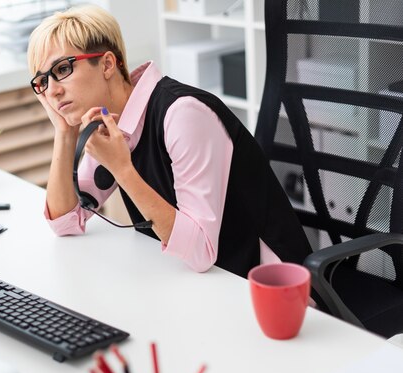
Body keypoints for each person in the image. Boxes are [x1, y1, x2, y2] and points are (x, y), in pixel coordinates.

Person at [27, 5, 313, 279]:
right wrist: (64, 133)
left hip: (266, 287)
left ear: (107, 64)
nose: (52, 90)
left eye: (62, 69)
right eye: (42, 81)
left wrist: (123, 170)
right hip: (194, 282)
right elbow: (64, 222)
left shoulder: (182, 113)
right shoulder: (109, 123)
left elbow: (201, 251)